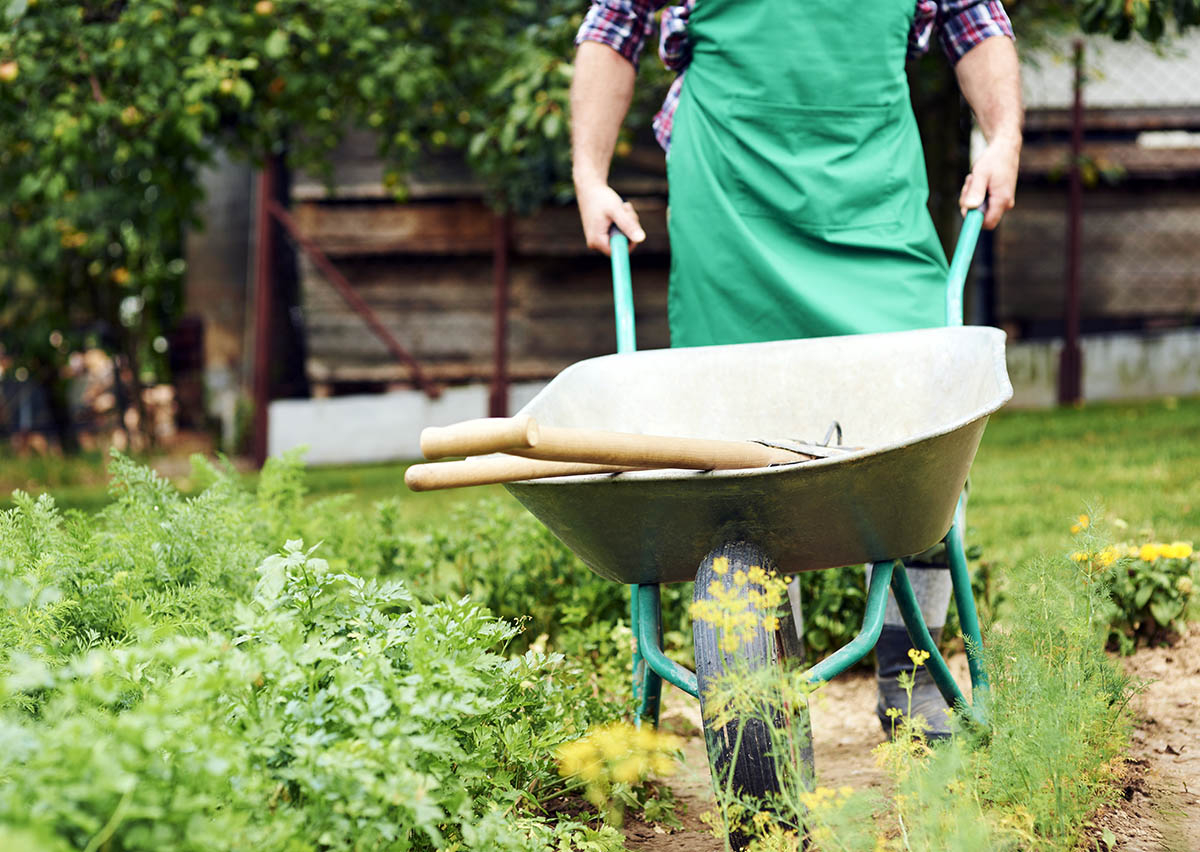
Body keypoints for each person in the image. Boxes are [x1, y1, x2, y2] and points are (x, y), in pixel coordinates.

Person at [570, 0, 1023, 738]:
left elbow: (975, 21)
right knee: (737, 463)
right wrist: (591, 176)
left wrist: (1002, 139)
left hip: (873, 206)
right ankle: (764, 687)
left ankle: (913, 674)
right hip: (733, 211)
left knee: (925, 431)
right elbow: (613, 25)